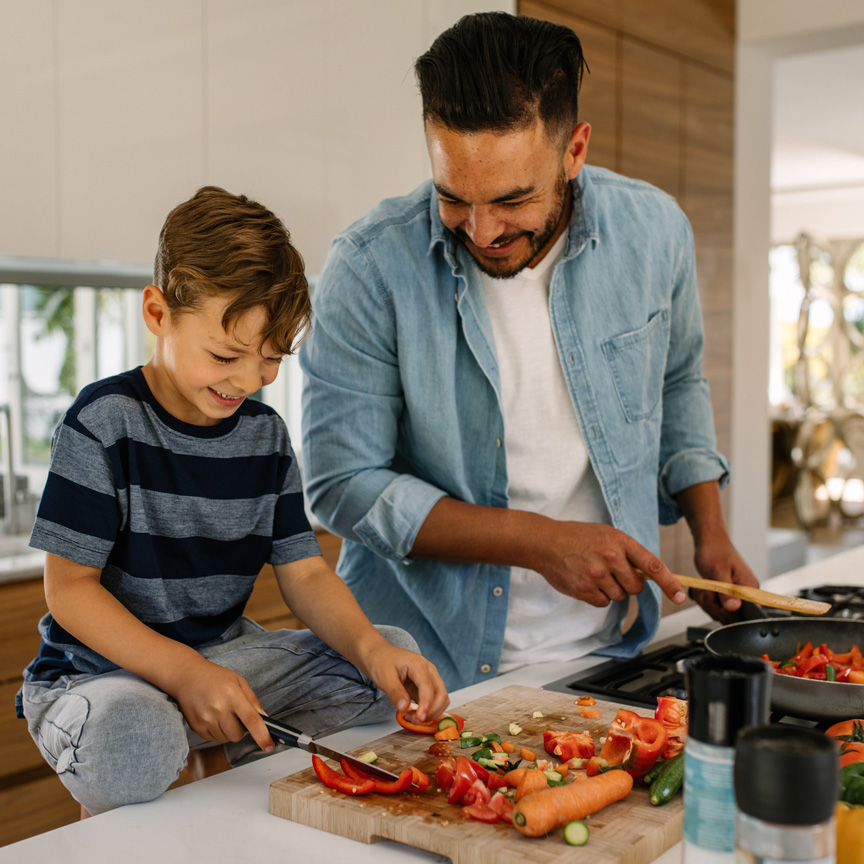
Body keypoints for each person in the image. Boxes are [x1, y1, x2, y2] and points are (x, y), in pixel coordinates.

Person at [300, 12, 758, 692]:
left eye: (513, 199)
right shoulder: (369, 267)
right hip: (418, 667)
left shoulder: (655, 230)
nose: (482, 231)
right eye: (454, 197)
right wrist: (539, 541)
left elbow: (677, 381)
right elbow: (341, 486)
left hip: (608, 653)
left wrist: (709, 527)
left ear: (574, 150)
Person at [16, 186, 448, 817]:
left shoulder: (264, 436)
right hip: (99, 677)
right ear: (158, 313)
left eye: (271, 360)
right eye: (225, 355)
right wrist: (184, 675)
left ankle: (203, 749)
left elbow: (303, 573)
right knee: (135, 735)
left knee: (382, 661)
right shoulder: (103, 422)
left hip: (219, 661)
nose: (248, 382)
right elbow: (70, 590)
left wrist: (373, 650)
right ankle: (179, 748)